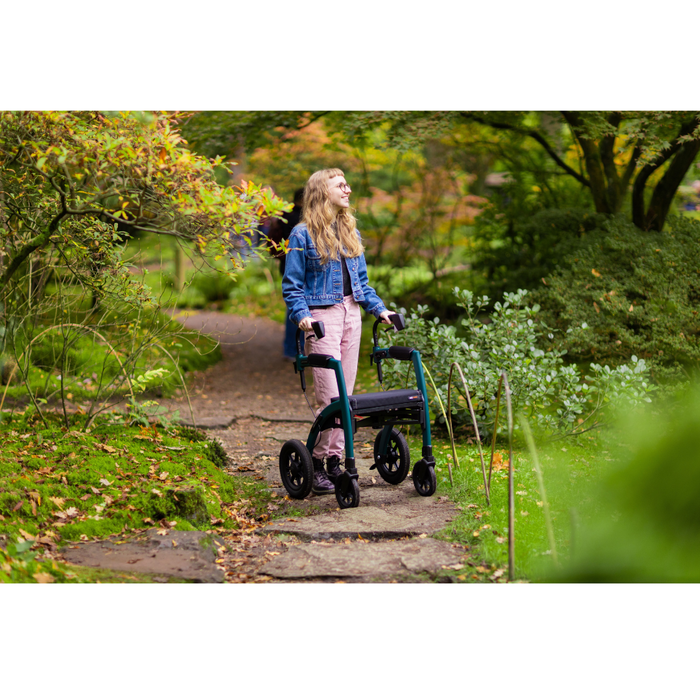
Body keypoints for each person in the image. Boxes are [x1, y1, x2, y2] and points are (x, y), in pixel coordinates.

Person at [282, 168, 393, 495]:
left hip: (351, 314)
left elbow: (363, 285)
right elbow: (292, 286)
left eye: (347, 184)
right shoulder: (301, 235)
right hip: (321, 317)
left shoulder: (349, 231)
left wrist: (380, 309)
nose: (347, 189)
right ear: (321, 191)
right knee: (330, 396)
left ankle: (334, 461)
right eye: (340, 185)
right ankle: (318, 462)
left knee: (346, 398)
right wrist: (301, 315)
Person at [267, 187, 305, 359]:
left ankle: (291, 349)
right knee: (303, 308)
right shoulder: (304, 218)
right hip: (305, 269)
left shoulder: (284, 216)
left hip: (286, 267)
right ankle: (300, 349)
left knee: (293, 307)